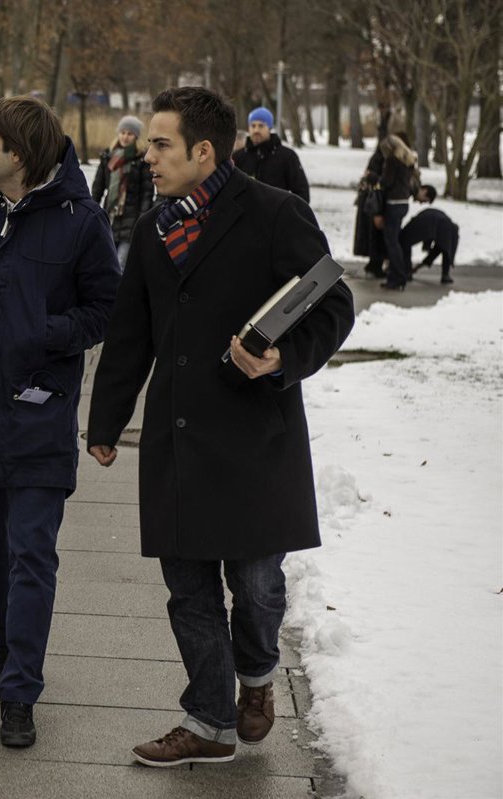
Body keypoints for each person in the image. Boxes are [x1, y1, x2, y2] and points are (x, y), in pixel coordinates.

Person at [86, 86, 354, 768]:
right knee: (189, 590)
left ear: (203, 151)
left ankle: (256, 677)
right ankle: (207, 718)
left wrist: (280, 359)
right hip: (177, 437)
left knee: (257, 586)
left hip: (256, 437)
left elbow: (333, 304)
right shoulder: (155, 227)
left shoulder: (276, 213)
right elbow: (130, 332)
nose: (148, 156)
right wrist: (106, 420)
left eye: (161, 144)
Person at [0, 96, 120, 748]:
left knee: (32, 554)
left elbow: (105, 307)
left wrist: (44, 333)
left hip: (40, 410)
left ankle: (20, 691)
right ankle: (5, 633)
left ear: (18, 152)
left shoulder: (81, 222)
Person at [91, 115, 155, 267]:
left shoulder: (141, 160)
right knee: (106, 262)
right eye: (123, 132)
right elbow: (98, 186)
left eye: (130, 133)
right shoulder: (108, 156)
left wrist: (142, 219)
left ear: (136, 137)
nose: (125, 137)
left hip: (131, 220)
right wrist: (92, 210)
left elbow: (147, 192)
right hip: (110, 218)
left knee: (121, 263)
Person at [363, 134, 419, 290]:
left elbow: (386, 182)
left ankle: (397, 277)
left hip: (392, 204)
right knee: (394, 241)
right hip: (403, 203)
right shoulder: (407, 161)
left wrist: (373, 177)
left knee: (391, 243)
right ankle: (398, 275)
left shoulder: (392, 161)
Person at [233, 107, 310, 202]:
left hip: (277, 210)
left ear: (269, 128)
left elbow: (302, 193)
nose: (256, 130)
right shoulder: (239, 157)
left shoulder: (287, 156)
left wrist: (288, 210)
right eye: (253, 126)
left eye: (261, 126)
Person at [402, 184, 458, 285]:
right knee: (446, 248)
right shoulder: (450, 229)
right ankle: (445, 275)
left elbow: (438, 249)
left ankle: (406, 271)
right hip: (440, 223)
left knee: (405, 241)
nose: (421, 203)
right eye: (424, 200)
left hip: (428, 220)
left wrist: (419, 266)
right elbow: (442, 248)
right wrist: (422, 264)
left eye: (424, 201)